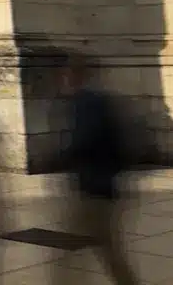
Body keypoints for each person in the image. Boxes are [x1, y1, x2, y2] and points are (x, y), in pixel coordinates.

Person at [54, 53, 137, 285]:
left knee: (78, 251)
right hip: (100, 185)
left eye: (67, 74)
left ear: (75, 75)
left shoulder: (86, 103)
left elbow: (85, 140)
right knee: (106, 251)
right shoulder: (97, 101)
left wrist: (63, 156)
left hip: (92, 188)